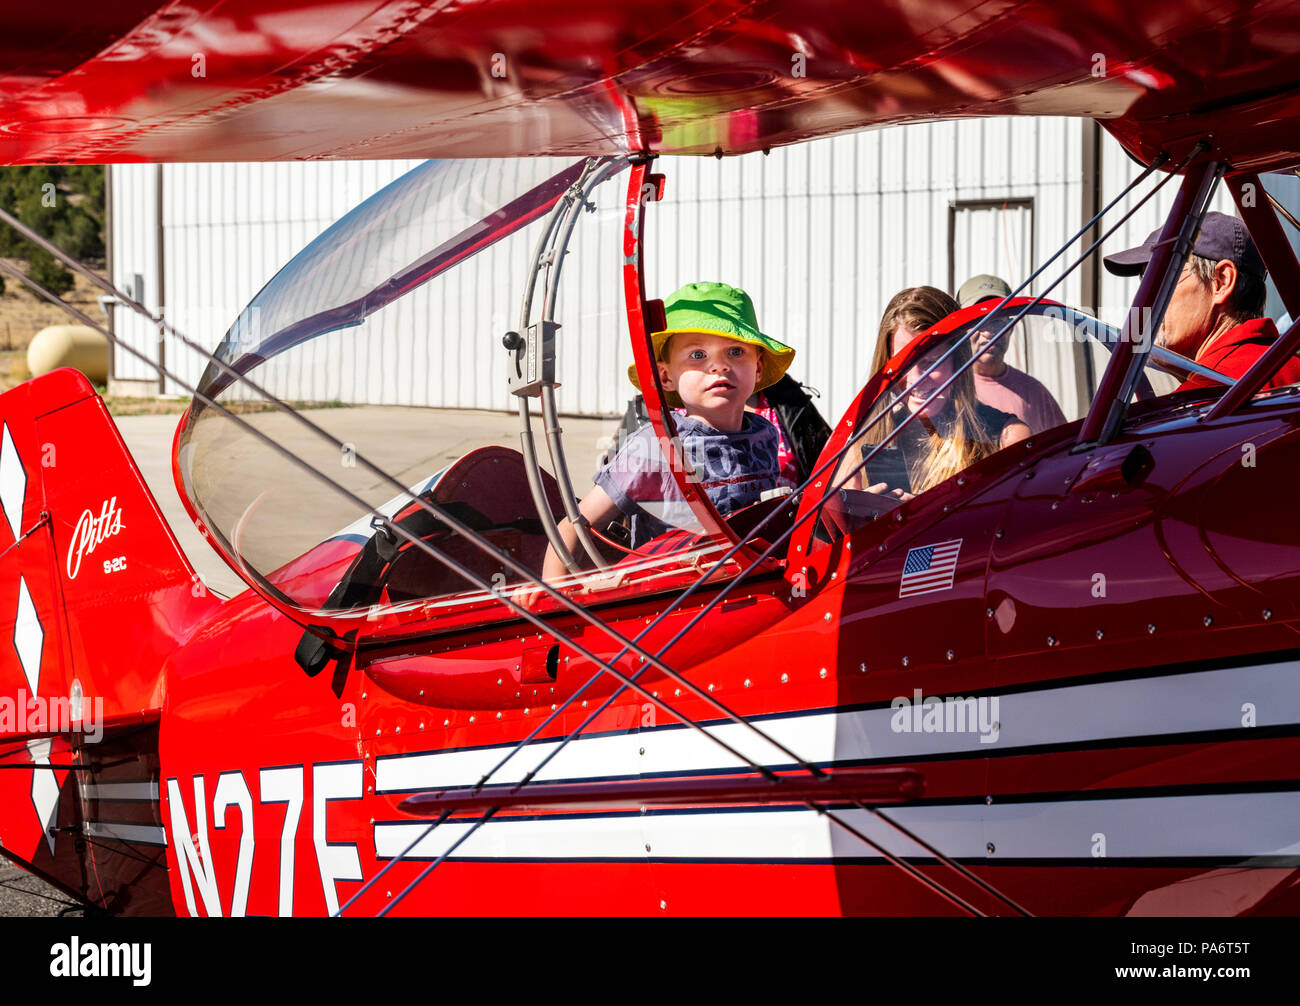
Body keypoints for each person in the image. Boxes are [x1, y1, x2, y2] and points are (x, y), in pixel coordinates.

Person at [541, 282, 793, 581]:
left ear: (758, 369)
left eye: (735, 351)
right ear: (665, 376)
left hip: (748, 584)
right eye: (698, 355)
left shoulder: (764, 434)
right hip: (670, 599)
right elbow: (575, 524)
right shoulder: (656, 447)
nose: (719, 367)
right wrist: (554, 592)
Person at [846, 286, 1029, 499]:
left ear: (958, 360)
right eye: (902, 364)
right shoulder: (862, 442)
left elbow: (1019, 526)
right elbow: (827, 528)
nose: (915, 379)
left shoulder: (1006, 438)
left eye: (931, 362)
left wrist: (924, 516)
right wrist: (858, 513)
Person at [1103, 211, 1300, 392]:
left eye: (1161, 277)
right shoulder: (1288, 365)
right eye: (1144, 281)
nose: (1146, 298)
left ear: (1221, 282)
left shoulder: (1206, 397)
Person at [956, 273, 1068, 433]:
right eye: (978, 321)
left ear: (1011, 327)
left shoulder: (1034, 392)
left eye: (997, 320)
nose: (988, 333)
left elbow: (1062, 449)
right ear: (962, 329)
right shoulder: (947, 390)